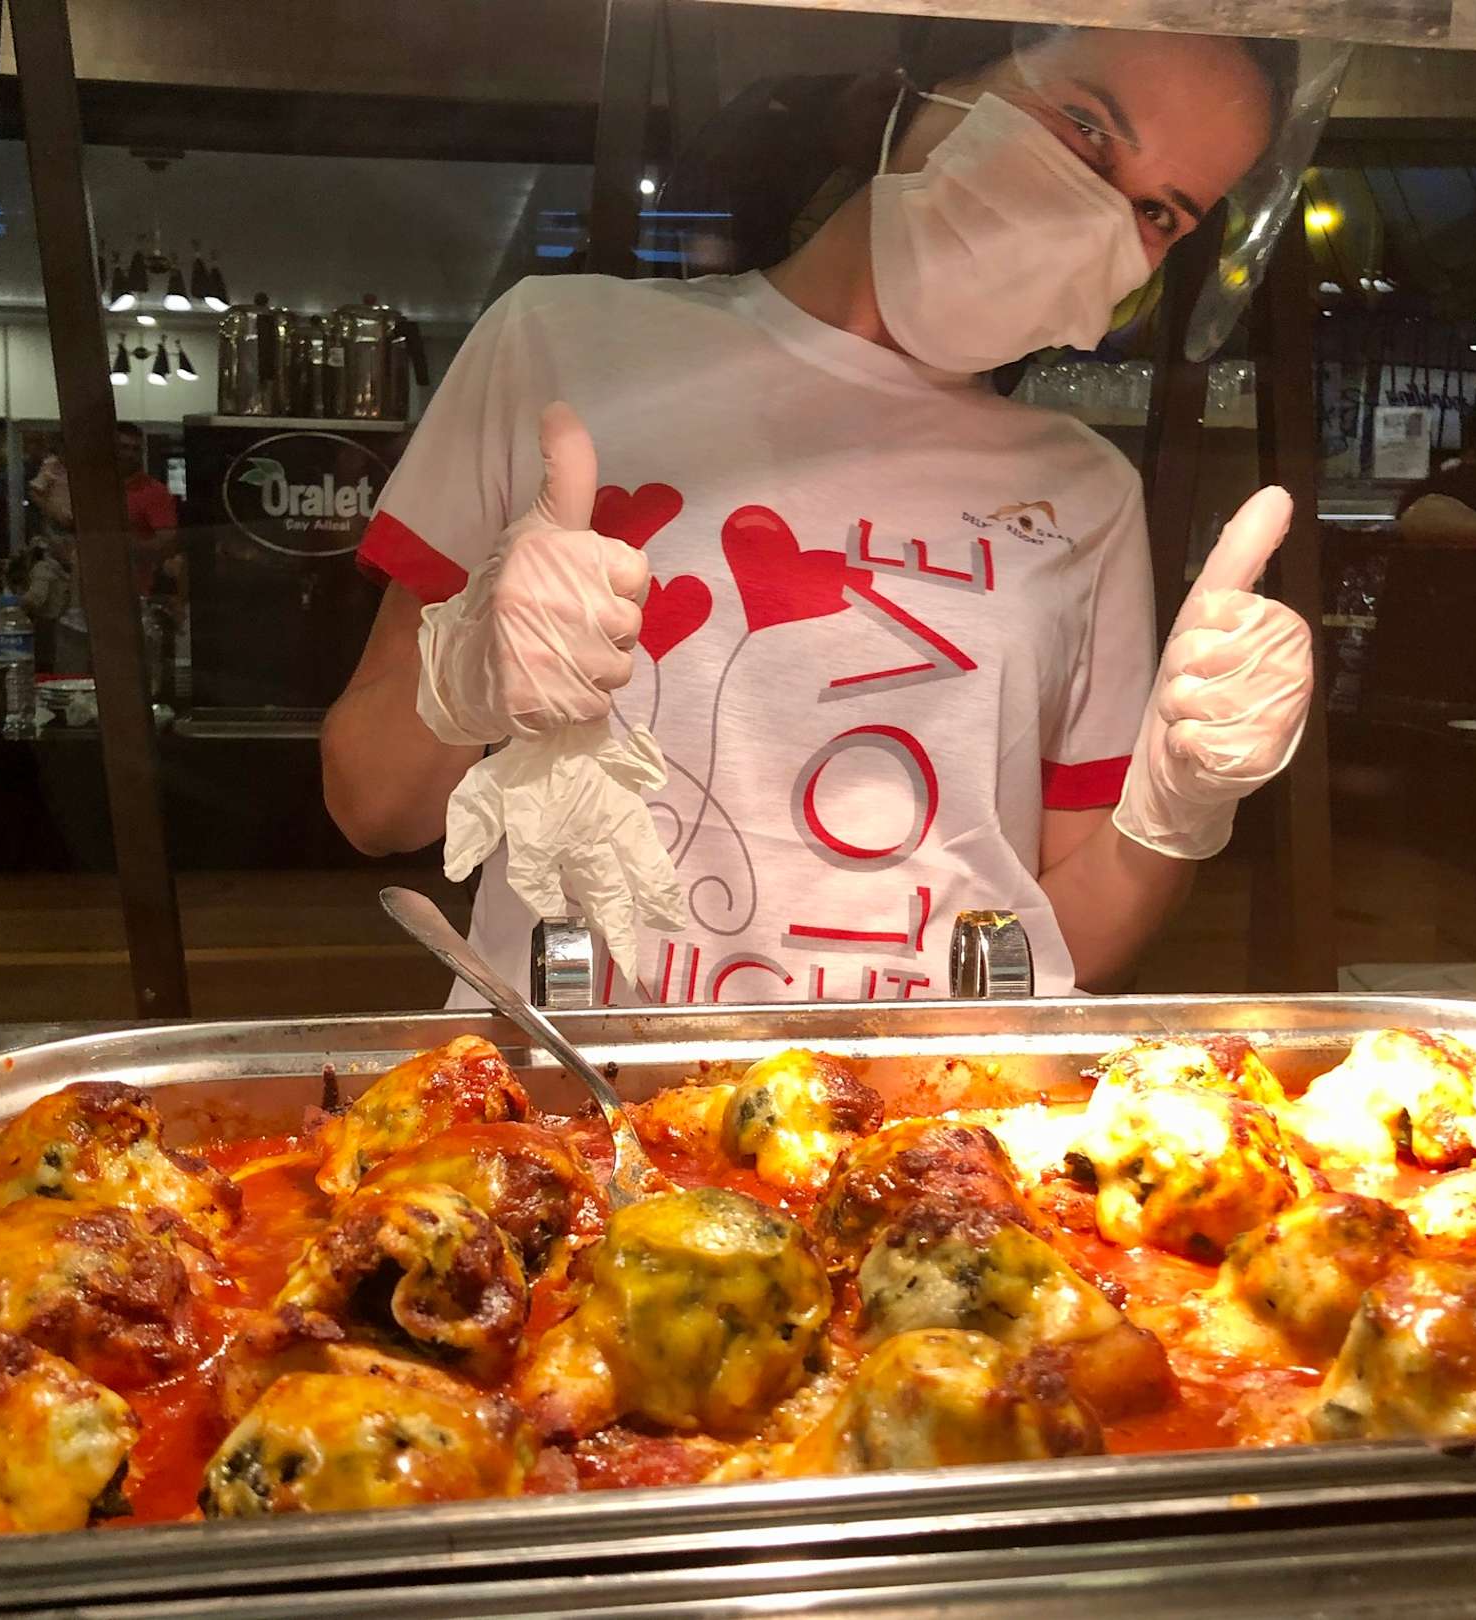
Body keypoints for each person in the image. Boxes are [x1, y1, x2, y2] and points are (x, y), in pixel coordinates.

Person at [323, 24, 1317, 1006]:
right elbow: (371, 806)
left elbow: (1076, 957)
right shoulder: (558, 344)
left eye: (1159, 211)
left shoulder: (1084, 493)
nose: (1097, 211)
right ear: (918, 88)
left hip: (922, 1099)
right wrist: (463, 676)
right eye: (1085, 126)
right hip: (575, 1089)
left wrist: (1176, 808)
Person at [114, 424, 181, 600]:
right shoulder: (98, 487)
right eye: (124, 447)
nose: (130, 454)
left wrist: (123, 545)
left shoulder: (155, 492)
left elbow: (167, 543)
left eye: (135, 449)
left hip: (134, 592)